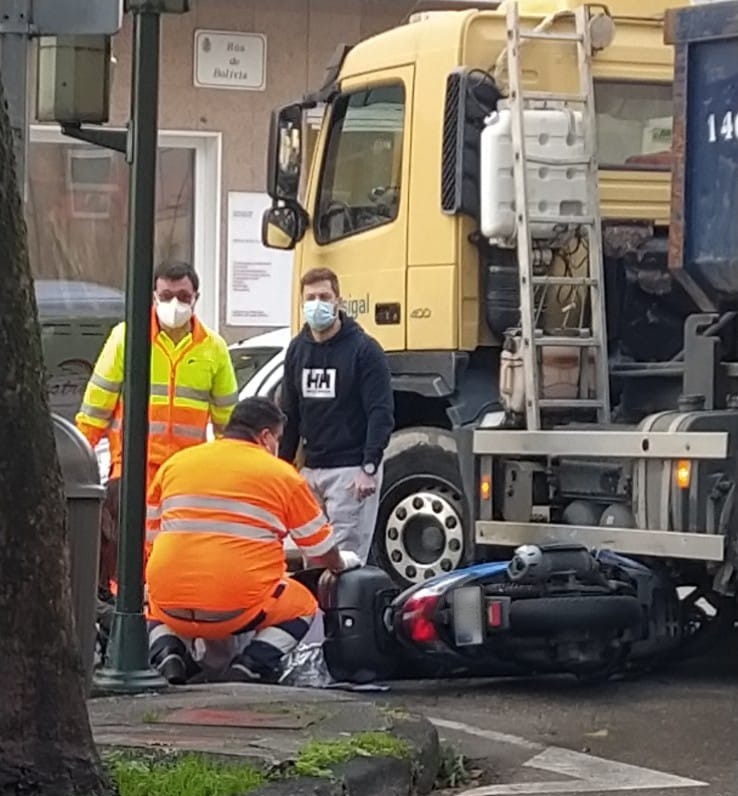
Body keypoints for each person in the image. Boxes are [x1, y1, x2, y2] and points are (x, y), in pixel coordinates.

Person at [144, 396, 360, 684]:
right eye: (279, 440)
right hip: (237, 605)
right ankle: (250, 665)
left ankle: (168, 654)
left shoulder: (176, 464)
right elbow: (320, 551)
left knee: (150, 601)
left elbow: (149, 538)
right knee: (303, 604)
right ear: (266, 436)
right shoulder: (282, 474)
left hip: (170, 603)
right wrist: (341, 562)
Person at [75, 260, 238, 594]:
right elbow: (96, 405)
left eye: (182, 295)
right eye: (166, 295)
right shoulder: (127, 338)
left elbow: (227, 420)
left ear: (196, 298)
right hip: (132, 470)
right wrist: (78, 456)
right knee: (124, 559)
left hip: (185, 474)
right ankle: (126, 626)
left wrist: (233, 469)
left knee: (175, 554)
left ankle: (165, 618)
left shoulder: (214, 348)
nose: (174, 303)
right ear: (153, 296)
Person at [279, 267, 394, 565]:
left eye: (324, 297)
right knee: (312, 561)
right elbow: (290, 413)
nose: (317, 303)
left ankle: (342, 613)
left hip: (351, 472)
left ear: (339, 301)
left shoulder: (365, 350)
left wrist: (368, 466)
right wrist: (282, 468)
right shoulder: (297, 350)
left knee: (345, 562)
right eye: (311, 298)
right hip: (310, 472)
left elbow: (380, 412)